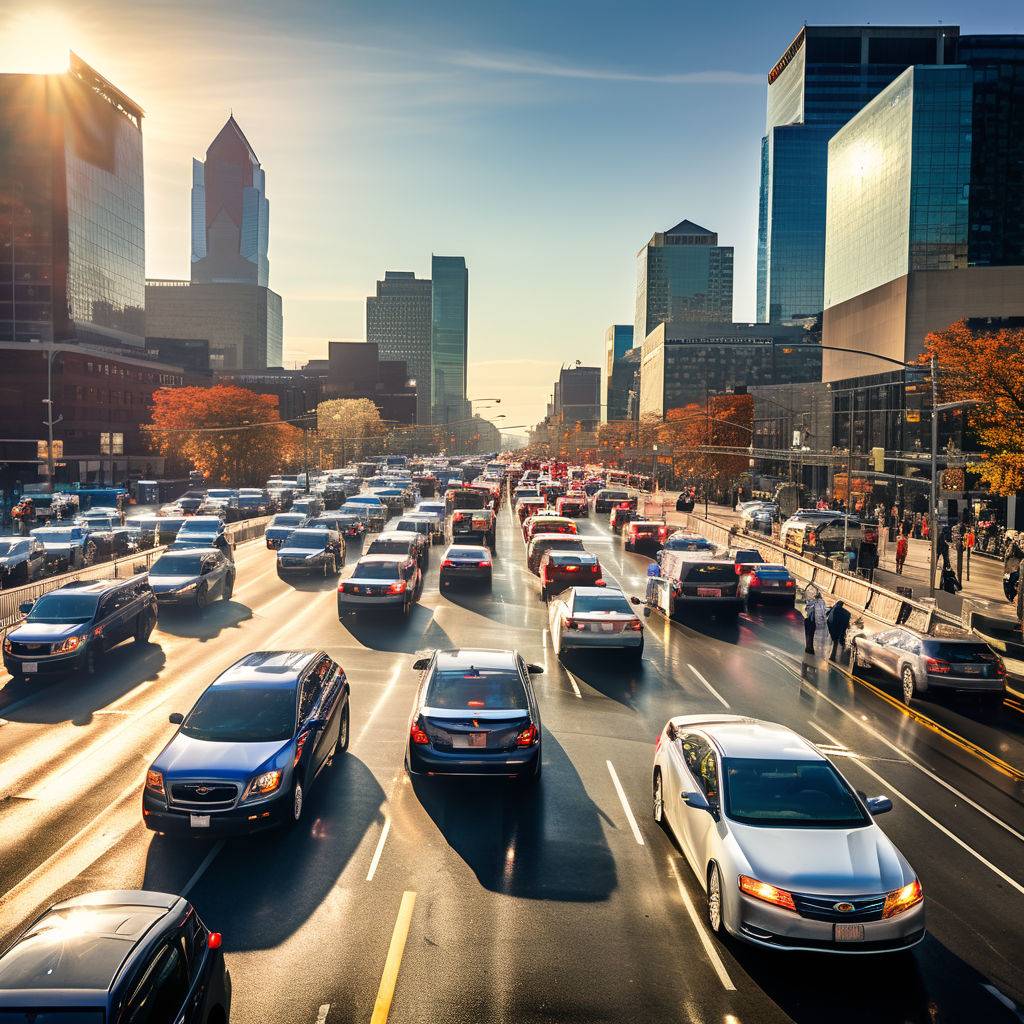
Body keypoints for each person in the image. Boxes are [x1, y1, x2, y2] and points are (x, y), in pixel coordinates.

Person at [803, 588, 827, 654]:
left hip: (808, 620)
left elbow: (806, 609)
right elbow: (823, 612)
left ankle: (808, 648)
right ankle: (810, 649)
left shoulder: (811, 602)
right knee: (811, 635)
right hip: (813, 621)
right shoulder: (821, 603)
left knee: (808, 635)